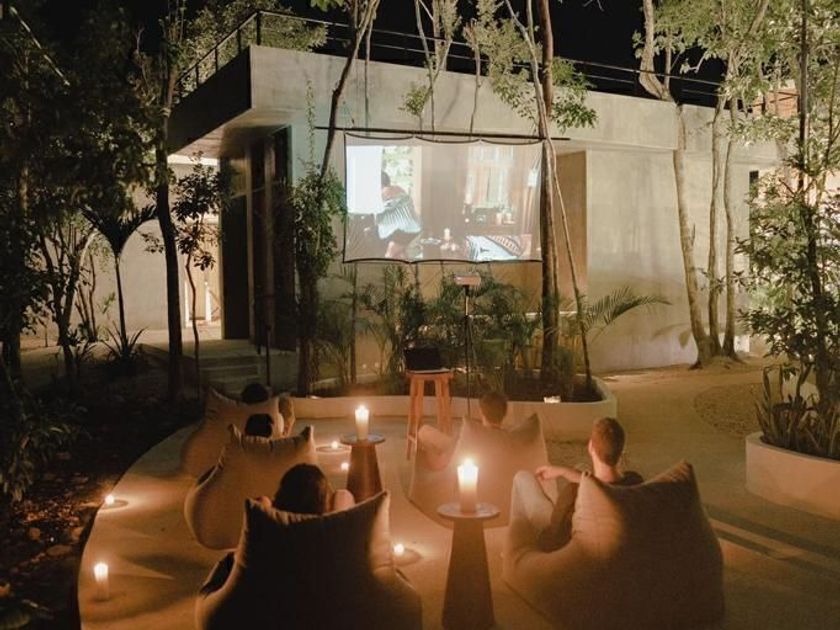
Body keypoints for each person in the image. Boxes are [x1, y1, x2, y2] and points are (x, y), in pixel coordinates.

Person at [201, 464, 351, 595]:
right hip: (315, 603)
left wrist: (265, 505)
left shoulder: (267, 529)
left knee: (232, 560)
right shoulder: (330, 536)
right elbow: (344, 499)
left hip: (259, 603)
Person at [534, 417, 643, 551]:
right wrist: (563, 471)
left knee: (523, 479)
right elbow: (601, 484)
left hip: (564, 552)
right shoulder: (635, 482)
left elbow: (553, 537)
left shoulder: (574, 493)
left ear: (590, 447)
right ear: (622, 450)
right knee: (580, 467)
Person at [417, 390, 508, 470]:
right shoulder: (508, 439)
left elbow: (438, 464)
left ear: (481, 412)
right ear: (504, 414)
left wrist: (428, 449)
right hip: (457, 446)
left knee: (423, 432)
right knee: (426, 431)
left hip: (457, 451)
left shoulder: (470, 435)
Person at [377, 170, 421, 259]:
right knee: (398, 255)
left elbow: (379, 207)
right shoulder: (396, 188)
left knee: (389, 255)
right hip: (410, 227)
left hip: (406, 228)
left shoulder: (386, 190)